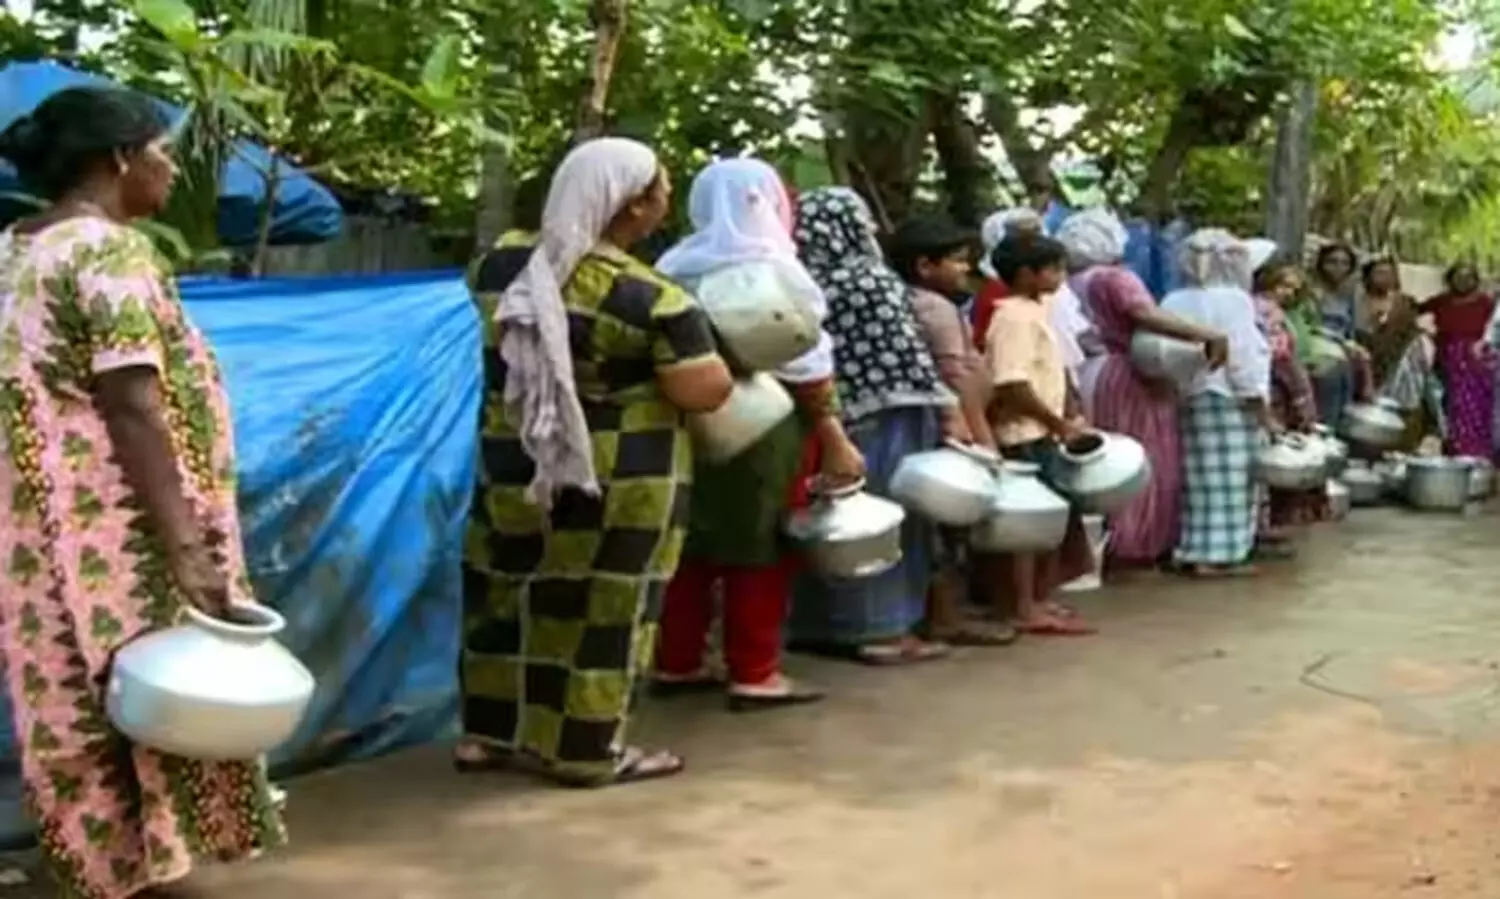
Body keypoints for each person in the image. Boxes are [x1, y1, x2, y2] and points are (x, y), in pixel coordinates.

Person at [0, 87, 285, 897]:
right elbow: (131, 403)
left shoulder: (16, 247)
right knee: (157, 695)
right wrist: (186, 549)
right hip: (119, 525)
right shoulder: (111, 252)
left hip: (35, 524)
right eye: (159, 149)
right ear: (118, 157)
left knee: (73, 696)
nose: (169, 167)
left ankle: (100, 871)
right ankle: (147, 875)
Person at [458, 137, 734, 786]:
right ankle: (586, 748)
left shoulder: (499, 265)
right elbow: (704, 388)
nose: (666, 203)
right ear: (633, 206)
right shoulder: (650, 296)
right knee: (606, 605)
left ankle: (488, 735)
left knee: (504, 591)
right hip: (619, 472)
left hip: (513, 458)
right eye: (662, 191)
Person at [651, 158, 866, 711]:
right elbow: (808, 367)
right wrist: (836, 436)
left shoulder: (673, 269)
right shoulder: (777, 269)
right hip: (769, 429)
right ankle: (756, 670)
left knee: (692, 544)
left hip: (691, 422)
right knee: (764, 545)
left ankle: (677, 660)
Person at [787, 187, 955, 665]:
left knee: (831, 522)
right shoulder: (870, 280)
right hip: (888, 416)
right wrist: (949, 409)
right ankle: (882, 628)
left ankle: (816, 625)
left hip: (825, 416)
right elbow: (908, 357)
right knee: (884, 523)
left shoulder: (800, 281)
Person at [1062, 209, 1228, 569]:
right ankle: (1137, 545)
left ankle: (1102, 545)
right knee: (1144, 459)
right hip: (1129, 376)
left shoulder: (1071, 282)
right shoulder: (1115, 278)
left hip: (1090, 372)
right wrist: (1206, 334)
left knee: (1103, 461)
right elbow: (1145, 315)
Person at [887, 215, 1017, 646]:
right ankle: (947, 616)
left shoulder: (899, 297)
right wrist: (982, 439)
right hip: (949, 425)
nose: (966, 270)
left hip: (928, 423)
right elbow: (955, 375)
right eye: (958, 262)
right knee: (946, 524)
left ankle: (936, 612)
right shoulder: (935, 308)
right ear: (925, 266)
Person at [985, 234, 1097, 635]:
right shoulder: (1012, 317)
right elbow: (1011, 383)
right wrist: (1057, 423)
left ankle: (1039, 596)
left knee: (1049, 520)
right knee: (1026, 524)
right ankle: (1023, 604)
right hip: (1023, 433)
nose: (1061, 277)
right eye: (1053, 269)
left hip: (1043, 430)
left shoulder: (1038, 309)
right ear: (1026, 274)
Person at [1161, 230, 1273, 578]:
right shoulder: (1235, 301)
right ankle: (1217, 556)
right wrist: (1258, 402)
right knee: (1231, 480)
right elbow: (1240, 357)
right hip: (1229, 397)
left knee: (1198, 477)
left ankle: (1192, 547)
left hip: (1186, 395)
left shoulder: (1173, 299)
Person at [1250, 247, 1329, 537]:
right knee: (1277, 452)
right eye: (1283, 286)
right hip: (1275, 388)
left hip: (1284, 387)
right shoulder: (1262, 311)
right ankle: (1268, 522)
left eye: (1293, 288)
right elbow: (1276, 355)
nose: (1287, 292)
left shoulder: (1280, 312)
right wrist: (1299, 393)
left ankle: (1274, 519)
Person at [1358, 257, 1436, 453]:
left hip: (1402, 364)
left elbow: (1413, 330)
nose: (1385, 278)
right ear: (1368, 276)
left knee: (1405, 409)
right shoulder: (1358, 301)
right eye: (1379, 273)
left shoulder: (1404, 303)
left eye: (1389, 273)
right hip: (1366, 362)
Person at [1423, 263, 1496, 459]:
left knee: (1477, 407)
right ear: (1450, 279)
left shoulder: (1486, 303)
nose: (1463, 281)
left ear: (1476, 281)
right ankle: (1453, 447)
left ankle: (1477, 449)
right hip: (1445, 360)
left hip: (1476, 362)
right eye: (1458, 277)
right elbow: (1415, 311)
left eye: (1468, 277)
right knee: (1448, 404)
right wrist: (1426, 334)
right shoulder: (1441, 301)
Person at [1305, 243, 1373, 428]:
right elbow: (1309, 325)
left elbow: (1351, 327)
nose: (1338, 268)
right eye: (1332, 262)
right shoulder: (1311, 292)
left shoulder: (1348, 294)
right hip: (1319, 354)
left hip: (1344, 356)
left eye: (1344, 263)